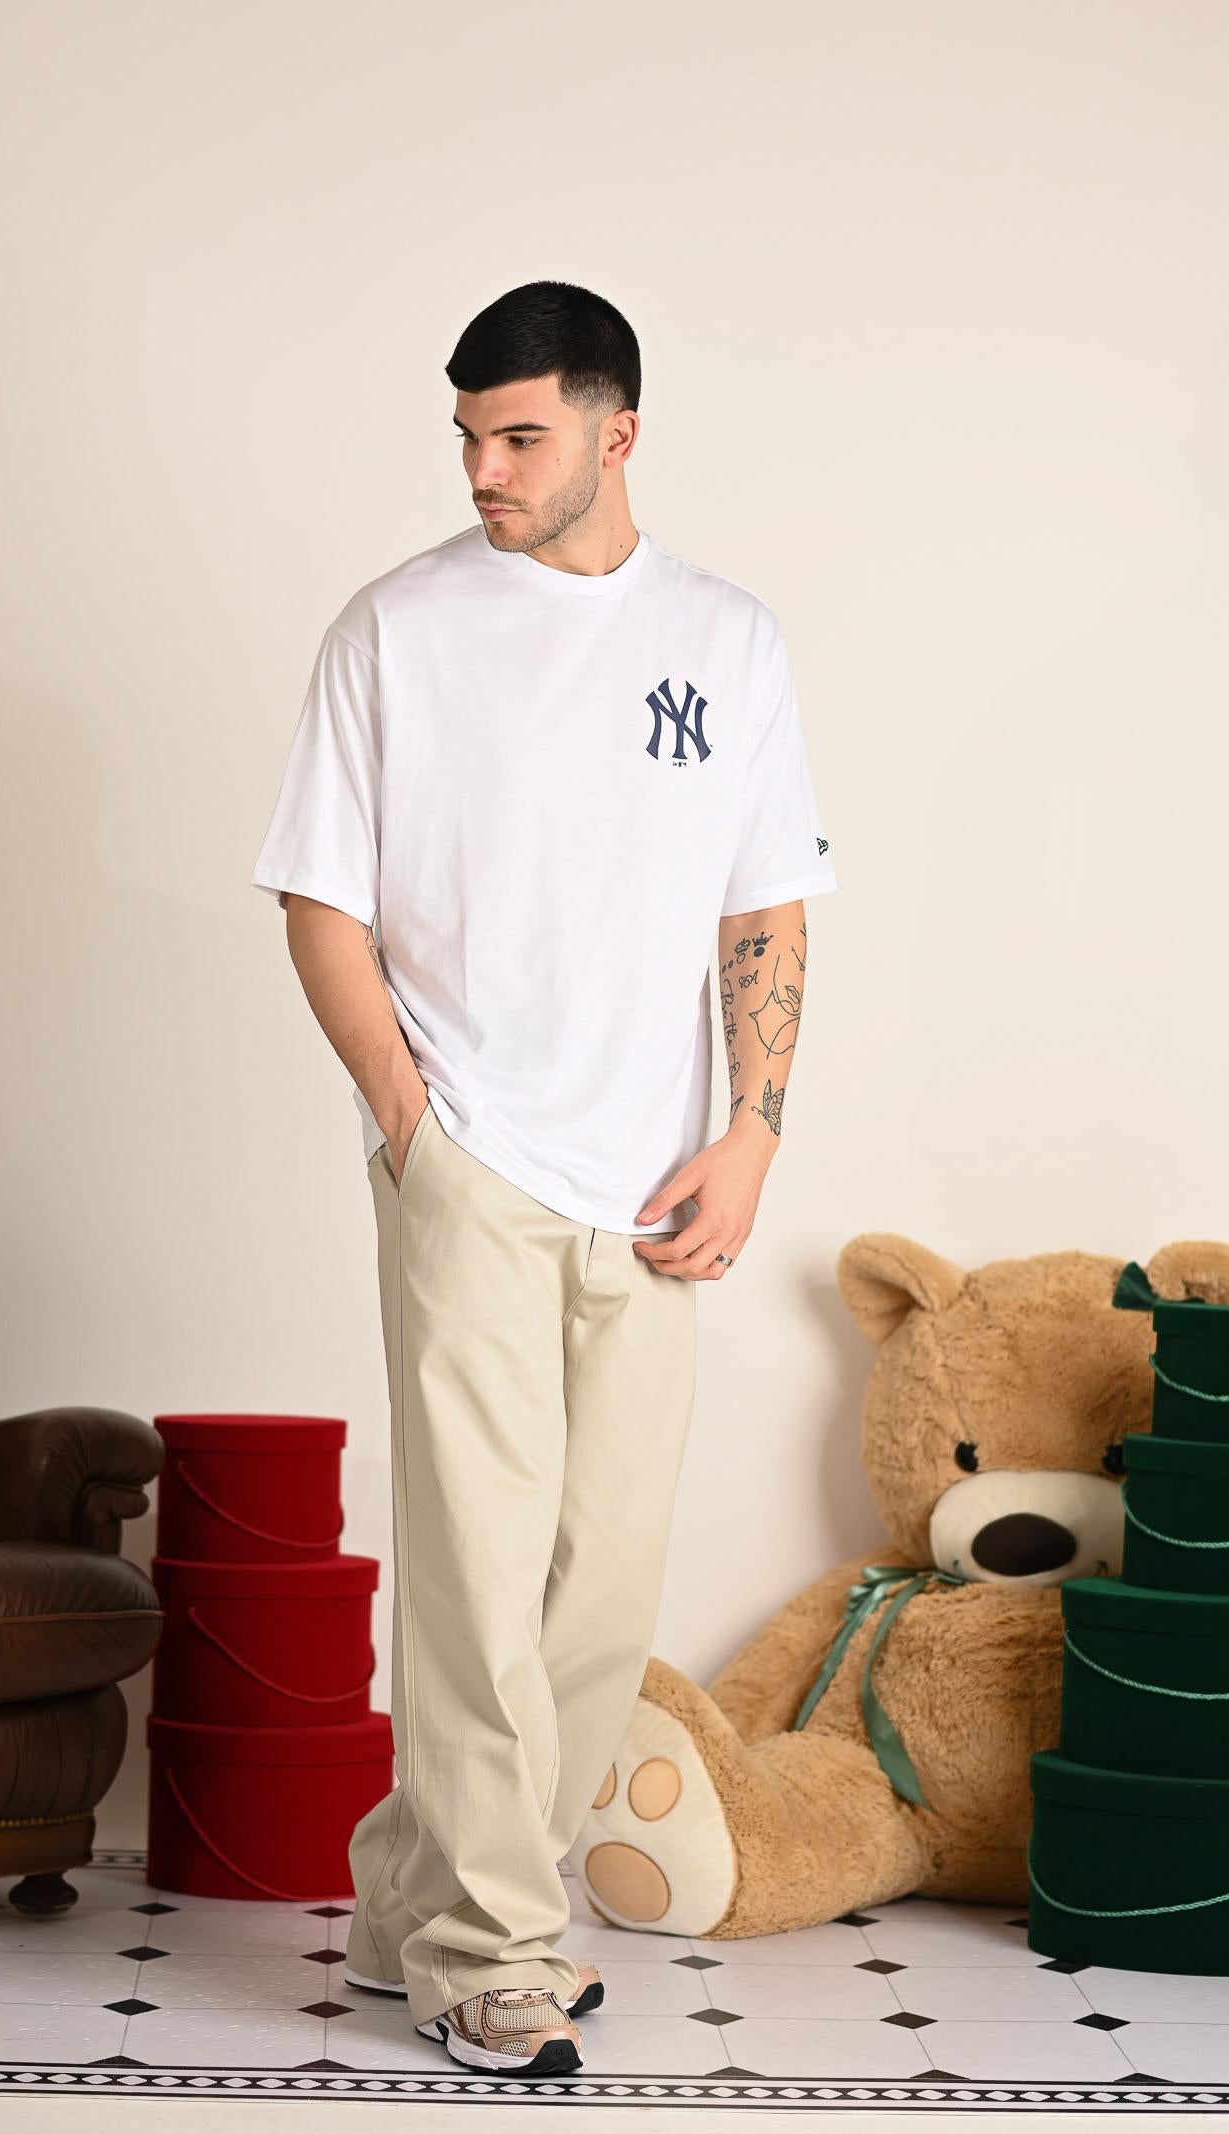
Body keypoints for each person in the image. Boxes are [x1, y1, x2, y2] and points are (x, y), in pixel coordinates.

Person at [250, 280, 838, 2077]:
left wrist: (752, 1130)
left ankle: (400, 1901)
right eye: (468, 438)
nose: (484, 470)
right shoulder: (397, 629)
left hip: (654, 1183)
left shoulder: (727, 639)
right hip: (475, 1166)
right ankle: (492, 1948)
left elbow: (762, 902)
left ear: (616, 431)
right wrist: (411, 1128)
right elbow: (320, 899)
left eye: (519, 435)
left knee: (597, 1587)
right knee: (476, 1573)